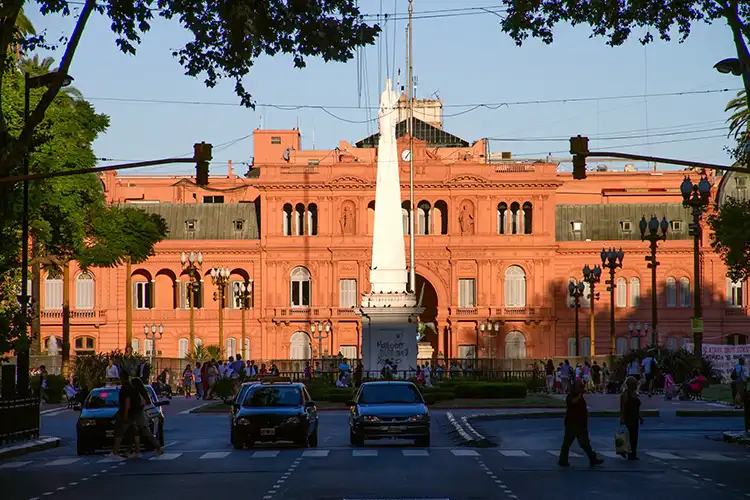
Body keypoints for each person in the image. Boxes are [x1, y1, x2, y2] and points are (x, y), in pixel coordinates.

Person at [558, 380, 604, 467]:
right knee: (568, 443)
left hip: (580, 424)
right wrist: (580, 394)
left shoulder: (580, 397)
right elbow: (573, 402)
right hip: (572, 423)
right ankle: (563, 459)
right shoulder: (570, 396)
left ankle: (592, 458)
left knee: (584, 443)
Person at [130, 377, 164, 457]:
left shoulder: (137, 393)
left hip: (140, 414)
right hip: (143, 414)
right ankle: (136, 451)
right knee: (139, 432)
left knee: (144, 432)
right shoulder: (144, 392)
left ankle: (157, 447)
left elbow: (140, 404)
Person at [110, 370, 139, 459]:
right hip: (133, 413)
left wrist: (125, 414)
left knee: (119, 433)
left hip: (126, 413)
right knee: (134, 433)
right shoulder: (132, 387)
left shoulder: (125, 388)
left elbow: (127, 402)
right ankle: (137, 451)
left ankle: (115, 452)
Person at [619, 376, 644, 460]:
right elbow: (622, 406)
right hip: (628, 416)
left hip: (635, 417)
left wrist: (640, 417)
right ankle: (625, 451)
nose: (636, 385)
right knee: (628, 435)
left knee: (634, 437)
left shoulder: (635, 393)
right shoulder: (625, 394)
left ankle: (633, 454)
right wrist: (622, 417)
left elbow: (637, 407)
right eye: (634, 384)